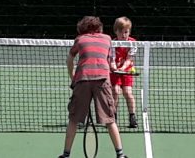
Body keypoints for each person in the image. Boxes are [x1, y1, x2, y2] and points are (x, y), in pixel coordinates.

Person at [60, 16, 128, 158]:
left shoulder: (79, 39)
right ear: (99, 27)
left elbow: (69, 59)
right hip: (102, 80)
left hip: (82, 80)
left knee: (73, 120)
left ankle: (65, 155)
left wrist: (73, 78)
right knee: (110, 119)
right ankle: (120, 155)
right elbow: (108, 61)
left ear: (83, 28)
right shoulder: (108, 38)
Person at [111, 17, 140, 128]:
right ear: (116, 31)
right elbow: (111, 59)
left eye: (126, 32)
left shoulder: (132, 43)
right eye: (121, 32)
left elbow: (129, 59)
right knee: (115, 91)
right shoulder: (112, 43)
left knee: (127, 93)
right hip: (115, 72)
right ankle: (113, 116)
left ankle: (132, 116)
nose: (124, 35)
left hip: (126, 72)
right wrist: (114, 68)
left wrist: (123, 68)